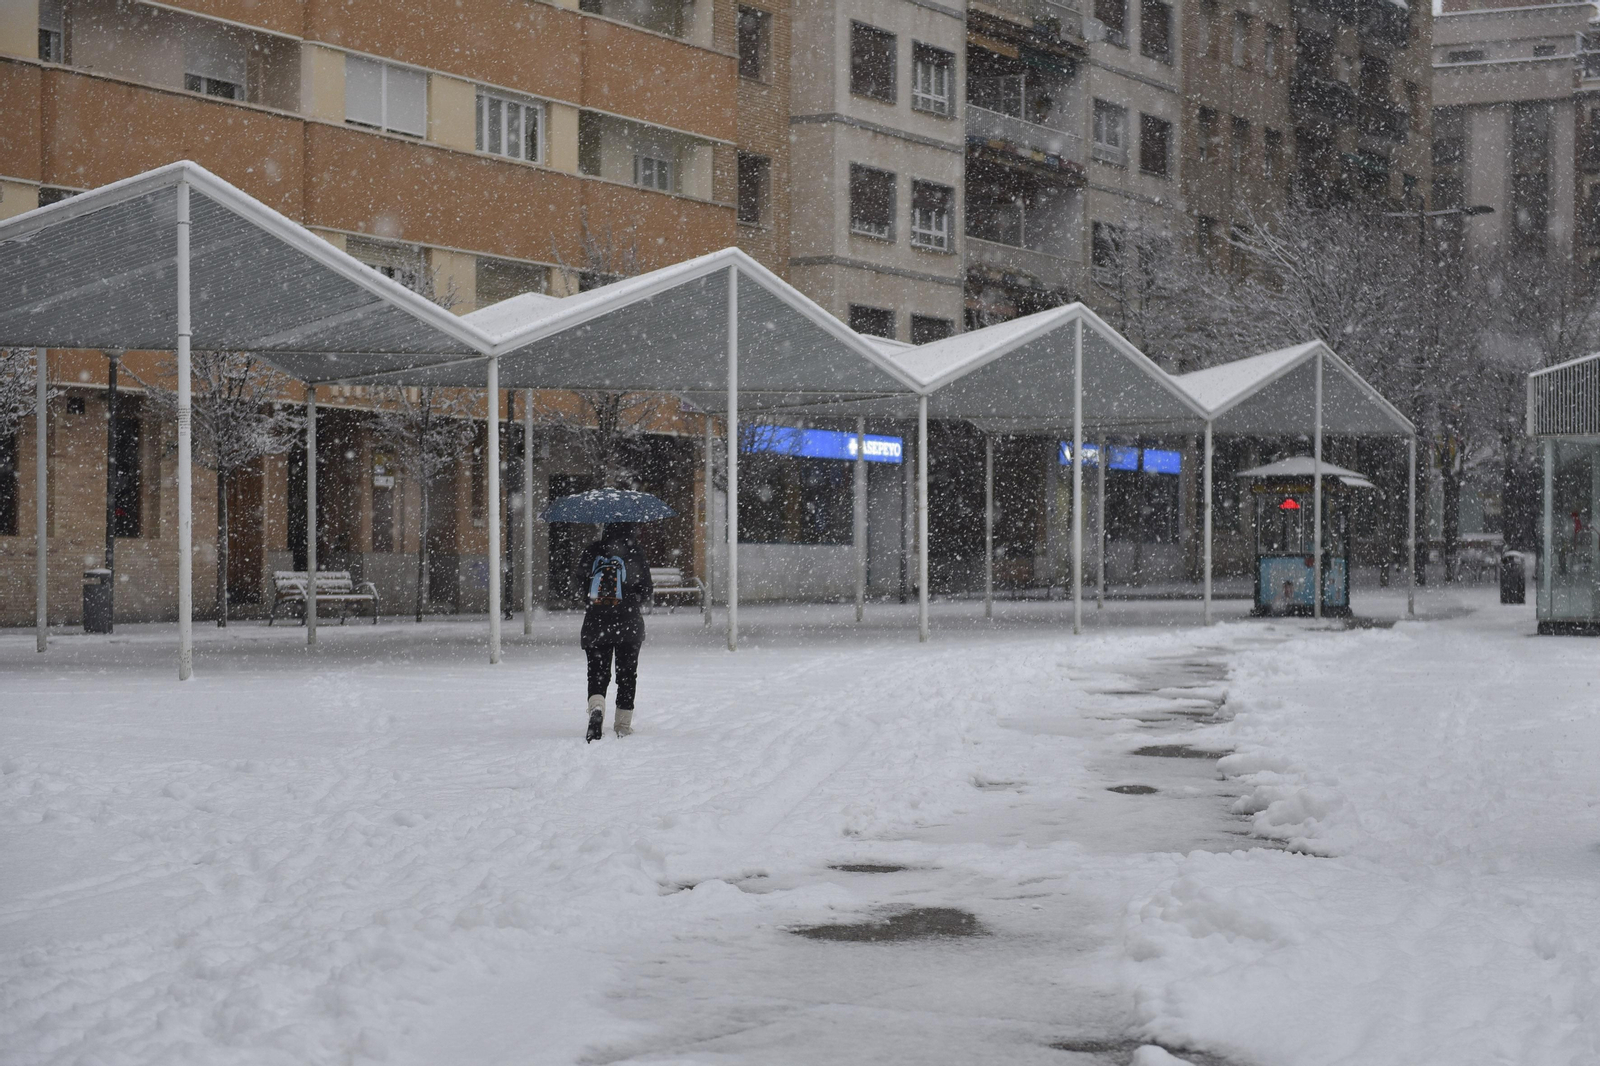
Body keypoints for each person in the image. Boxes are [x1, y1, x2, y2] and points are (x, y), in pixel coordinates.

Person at [575, 522, 653, 742]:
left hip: (595, 624)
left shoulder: (592, 551)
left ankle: (597, 707)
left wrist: (596, 603)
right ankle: (622, 724)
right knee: (627, 675)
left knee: (597, 673)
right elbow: (646, 591)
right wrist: (631, 598)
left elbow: (579, 584)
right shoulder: (635, 552)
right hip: (628, 624)